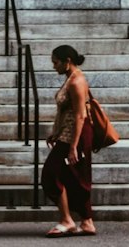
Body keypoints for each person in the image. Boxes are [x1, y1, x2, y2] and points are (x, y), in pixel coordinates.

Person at [42, 43, 95, 237]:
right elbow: (69, 112)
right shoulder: (70, 78)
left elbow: (81, 115)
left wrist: (73, 146)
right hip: (68, 134)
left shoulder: (76, 81)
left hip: (76, 136)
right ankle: (87, 222)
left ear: (67, 61)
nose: (53, 66)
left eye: (55, 62)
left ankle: (67, 220)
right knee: (74, 177)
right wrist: (57, 132)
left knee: (50, 175)